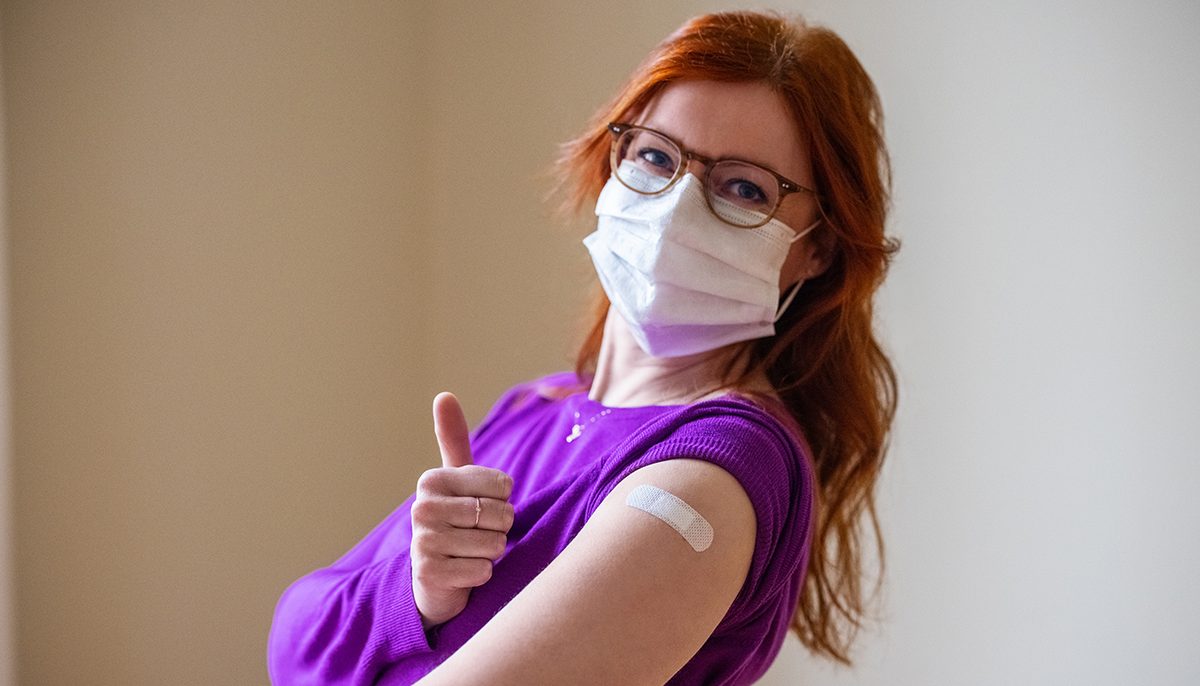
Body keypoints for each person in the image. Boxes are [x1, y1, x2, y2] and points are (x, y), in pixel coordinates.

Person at [267, 9, 897, 685]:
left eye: (743, 189)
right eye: (656, 155)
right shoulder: (539, 405)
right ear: (614, 159)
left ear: (817, 251)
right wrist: (413, 596)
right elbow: (292, 639)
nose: (676, 209)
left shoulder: (710, 476)